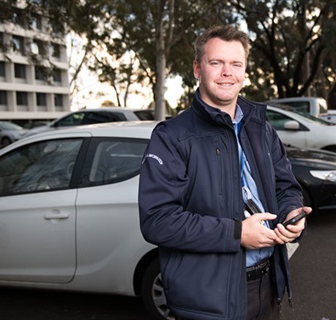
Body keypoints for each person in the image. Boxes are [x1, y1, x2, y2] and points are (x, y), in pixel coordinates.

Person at [138, 25, 311, 320]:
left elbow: (286, 187)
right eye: (216, 63)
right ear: (197, 69)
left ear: (244, 72)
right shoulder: (171, 137)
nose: (226, 72)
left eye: (235, 64)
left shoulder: (261, 129)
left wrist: (291, 214)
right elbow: (158, 221)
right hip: (209, 300)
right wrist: (237, 234)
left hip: (267, 286)